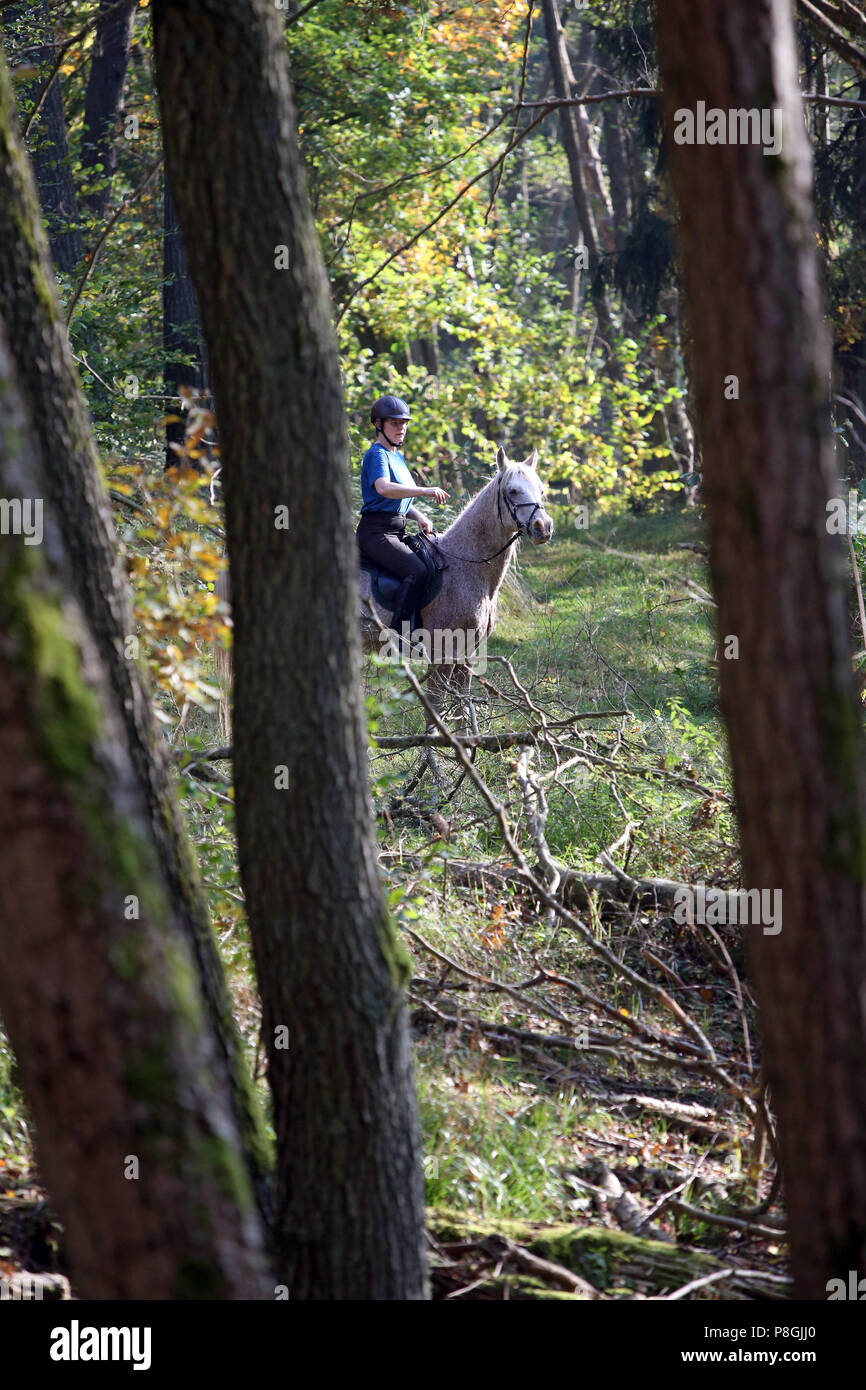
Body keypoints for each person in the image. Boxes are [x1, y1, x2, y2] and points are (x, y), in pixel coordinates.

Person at [356, 394, 449, 638]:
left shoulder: (396, 456)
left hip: (396, 529)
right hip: (375, 533)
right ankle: (398, 638)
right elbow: (384, 488)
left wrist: (418, 514)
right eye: (395, 423)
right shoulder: (377, 455)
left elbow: (397, 499)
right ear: (379, 425)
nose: (402, 429)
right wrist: (424, 491)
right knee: (416, 572)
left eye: (404, 423)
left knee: (431, 565)